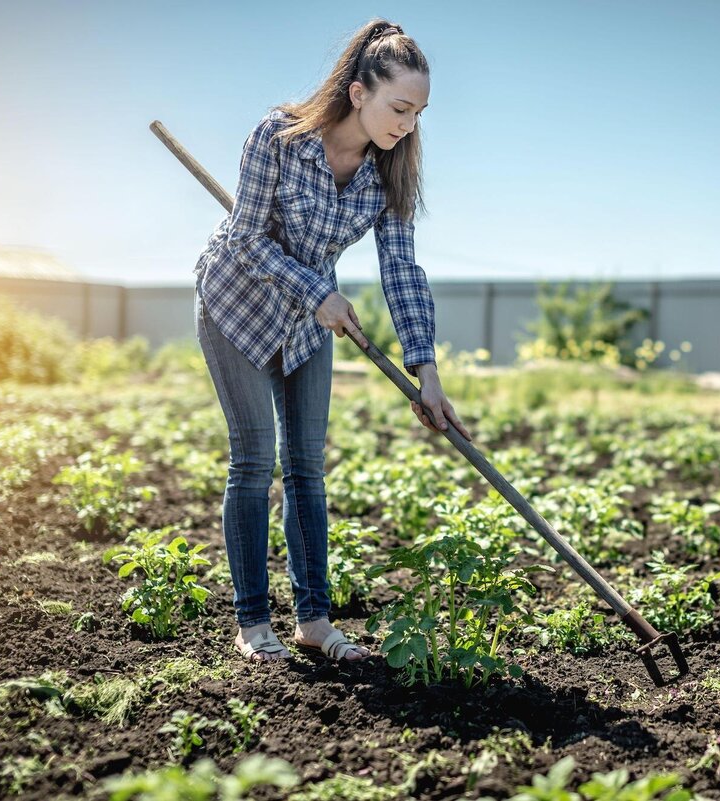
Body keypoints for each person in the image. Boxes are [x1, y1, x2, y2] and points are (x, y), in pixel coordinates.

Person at [192, 18, 471, 663]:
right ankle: (253, 623)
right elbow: (245, 240)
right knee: (255, 459)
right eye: (399, 106)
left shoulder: (389, 173)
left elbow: (402, 270)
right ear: (358, 93)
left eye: (418, 112)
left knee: (308, 469)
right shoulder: (279, 137)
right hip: (238, 303)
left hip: (307, 322)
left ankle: (314, 621)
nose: (408, 123)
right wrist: (316, 292)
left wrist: (426, 370)